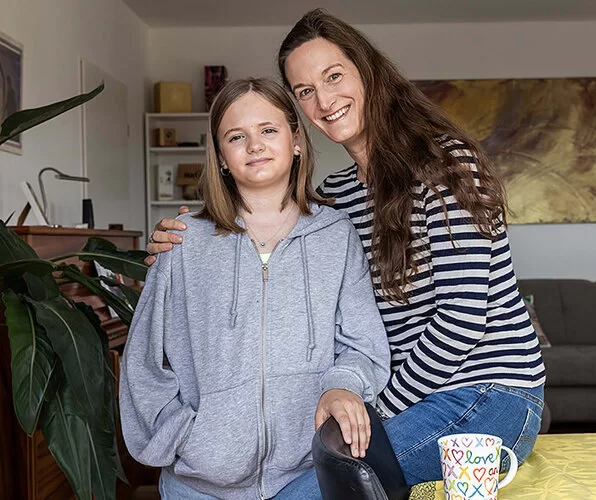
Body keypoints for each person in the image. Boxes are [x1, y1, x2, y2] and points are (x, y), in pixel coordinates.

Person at [147, 8, 546, 497]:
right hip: (414, 397)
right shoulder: (336, 199)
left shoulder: (444, 163)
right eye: (305, 91)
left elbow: (462, 320)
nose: (324, 100)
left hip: (487, 393)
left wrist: (372, 407)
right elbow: (270, 234)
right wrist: (188, 237)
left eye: (333, 76)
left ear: (367, 72)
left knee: (308, 490)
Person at [120, 77, 390, 500]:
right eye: (236, 136)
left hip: (308, 479)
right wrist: (183, 438)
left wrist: (344, 384)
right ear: (222, 157)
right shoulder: (183, 240)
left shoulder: (336, 235)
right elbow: (143, 362)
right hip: (199, 485)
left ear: (295, 140)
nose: (255, 145)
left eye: (268, 130)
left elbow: (364, 343)